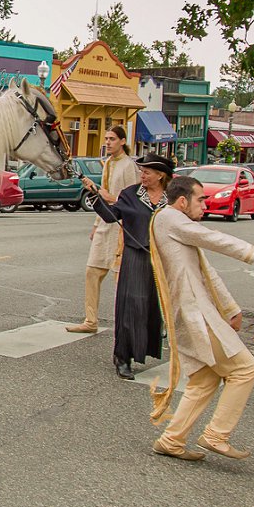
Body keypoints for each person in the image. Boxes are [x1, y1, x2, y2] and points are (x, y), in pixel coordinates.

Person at [146, 174, 254, 461]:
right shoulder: (170, 218)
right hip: (195, 314)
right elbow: (212, 239)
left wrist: (230, 309)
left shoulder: (175, 223)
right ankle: (216, 435)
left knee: (204, 380)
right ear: (182, 201)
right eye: (201, 199)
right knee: (245, 370)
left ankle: (172, 439)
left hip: (193, 311)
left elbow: (205, 270)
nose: (206, 205)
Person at [81, 152, 175, 377]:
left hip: (161, 258)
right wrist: (96, 196)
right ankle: (122, 357)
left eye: (147, 172)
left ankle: (144, 349)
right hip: (135, 256)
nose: (142, 175)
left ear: (161, 175)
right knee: (131, 306)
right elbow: (112, 216)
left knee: (152, 306)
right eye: (141, 171)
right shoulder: (131, 194)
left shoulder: (172, 197)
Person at [67, 125, 140, 338]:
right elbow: (103, 198)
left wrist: (104, 193)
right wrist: (96, 224)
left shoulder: (129, 167)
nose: (108, 142)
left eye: (113, 139)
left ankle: (126, 326)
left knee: (120, 280)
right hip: (105, 224)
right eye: (106, 138)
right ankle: (91, 320)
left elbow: (130, 201)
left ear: (123, 141)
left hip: (122, 227)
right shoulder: (107, 163)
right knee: (92, 272)